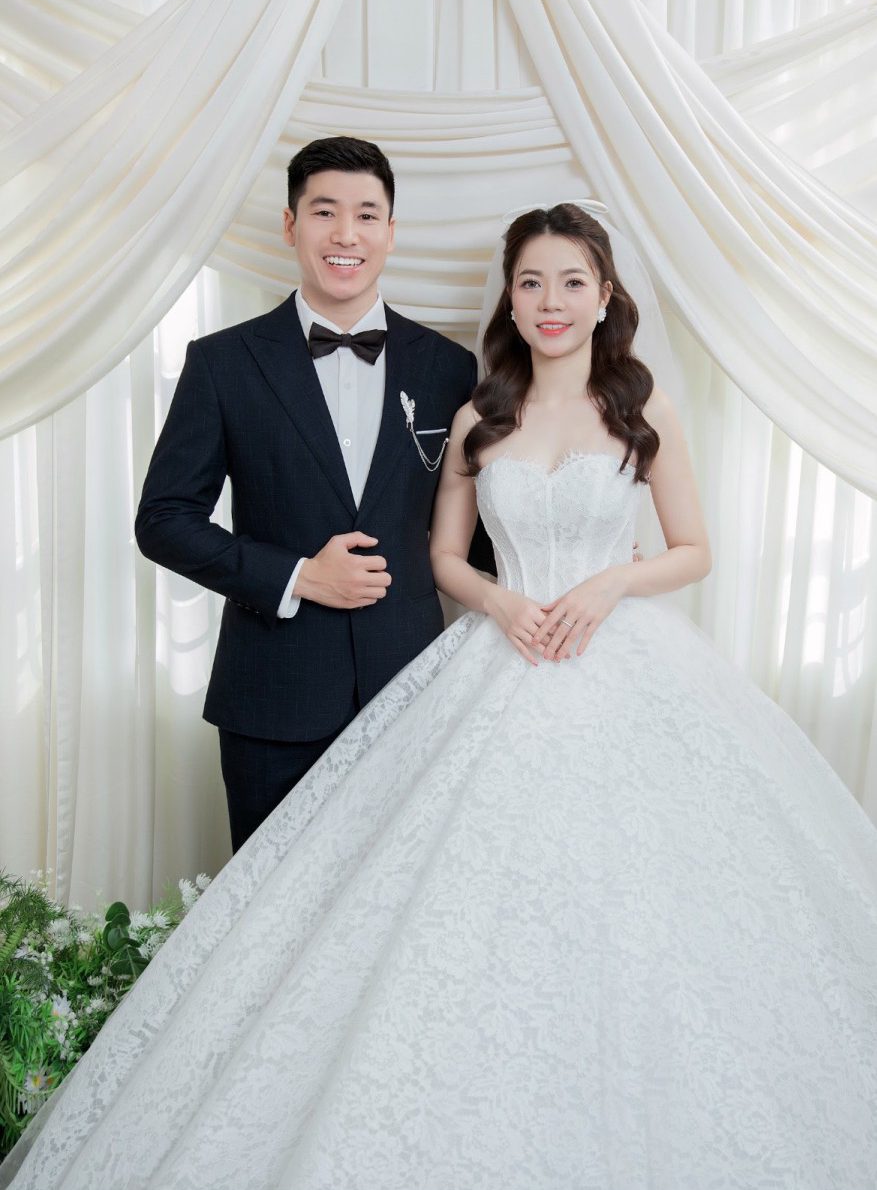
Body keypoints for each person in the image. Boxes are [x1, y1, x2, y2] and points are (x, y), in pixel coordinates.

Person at [6, 205, 877, 1189]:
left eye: (571, 282)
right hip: (500, 658)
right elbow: (443, 555)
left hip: (625, 658)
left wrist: (610, 584)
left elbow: (693, 549)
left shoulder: (645, 409)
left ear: (604, 296)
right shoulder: (478, 416)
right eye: (530, 283)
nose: (550, 302)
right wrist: (500, 602)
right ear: (509, 299)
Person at [135, 136, 485, 851]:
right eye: (325, 212)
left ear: (391, 231)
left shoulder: (451, 368)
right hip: (271, 696)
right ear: (291, 225)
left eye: (366, 215)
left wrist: (575, 563)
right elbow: (164, 519)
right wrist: (296, 576)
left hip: (414, 690)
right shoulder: (222, 363)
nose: (346, 234)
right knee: (268, 906)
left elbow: (473, 528)